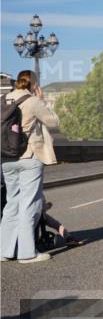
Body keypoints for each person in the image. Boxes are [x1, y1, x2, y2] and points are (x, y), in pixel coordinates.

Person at [1, 70, 60, 263]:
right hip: (29, 156)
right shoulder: (33, 100)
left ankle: (4, 250)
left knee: (12, 204)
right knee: (29, 204)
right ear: (34, 84)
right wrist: (43, 100)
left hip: (7, 159)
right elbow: (53, 122)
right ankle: (27, 253)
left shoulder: (4, 98)